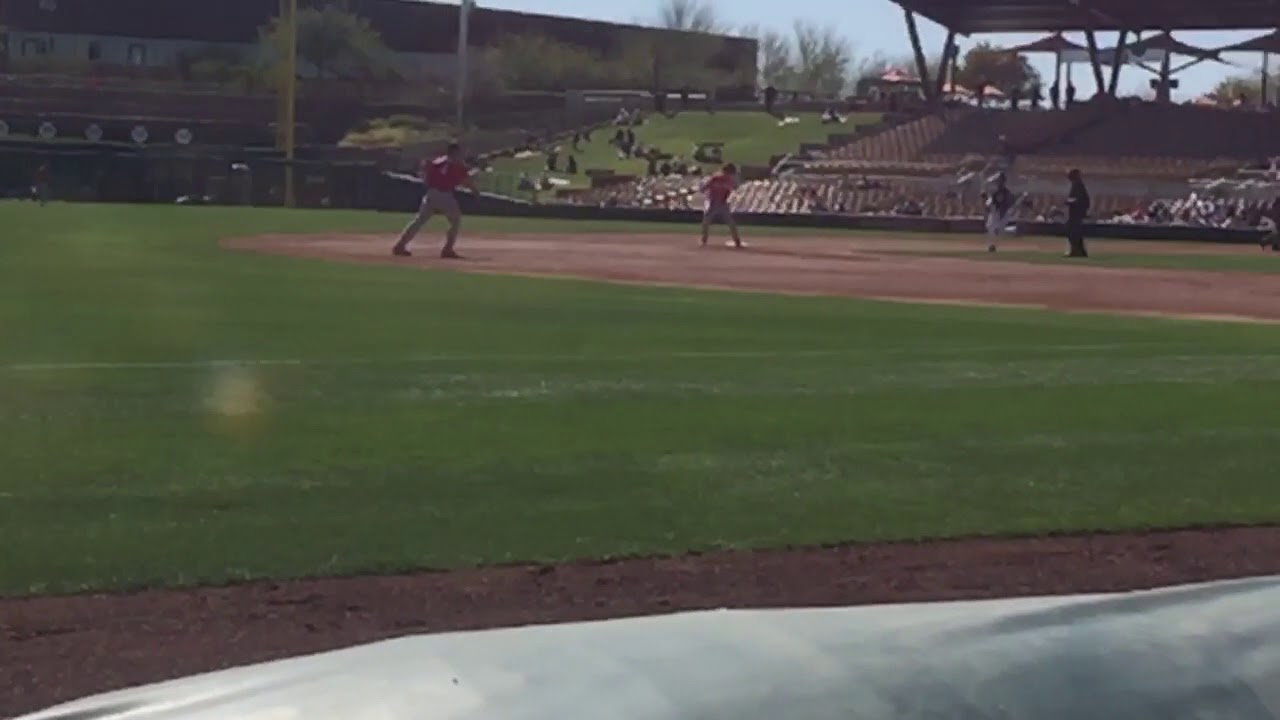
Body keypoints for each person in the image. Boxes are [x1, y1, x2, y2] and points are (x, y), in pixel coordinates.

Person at [392, 141, 476, 260]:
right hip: (444, 195)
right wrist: (475, 191)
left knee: (419, 221)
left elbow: (426, 172)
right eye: (459, 152)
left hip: (431, 193)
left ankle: (400, 245)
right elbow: (466, 181)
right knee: (455, 221)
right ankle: (447, 249)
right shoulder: (457, 164)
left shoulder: (438, 161)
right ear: (455, 152)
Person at [700, 162, 743, 248]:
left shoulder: (727, 179)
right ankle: (704, 240)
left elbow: (734, 188)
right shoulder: (716, 178)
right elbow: (704, 188)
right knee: (707, 222)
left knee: (730, 223)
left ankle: (737, 241)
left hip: (722, 203)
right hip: (713, 203)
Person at [1064, 168, 1090, 258]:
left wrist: (1068, 201)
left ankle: (1076, 251)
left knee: (1072, 231)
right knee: (1075, 232)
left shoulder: (1078, 185)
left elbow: (1079, 199)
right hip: (1076, 212)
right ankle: (1079, 251)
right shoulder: (1076, 184)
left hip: (1077, 213)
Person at [985, 172, 1014, 252]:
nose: (997, 181)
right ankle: (992, 245)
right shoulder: (995, 190)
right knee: (990, 227)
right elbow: (990, 201)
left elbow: (1004, 206)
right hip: (995, 211)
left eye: (999, 180)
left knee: (998, 229)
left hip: (1002, 212)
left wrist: (1000, 217)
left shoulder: (1005, 192)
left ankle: (1013, 230)